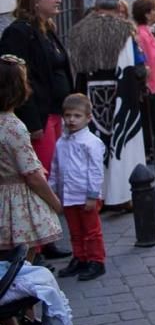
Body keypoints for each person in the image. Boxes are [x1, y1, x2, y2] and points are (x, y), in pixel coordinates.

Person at [0, 0, 73, 260]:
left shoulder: (47, 29)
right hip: (37, 119)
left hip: (54, 113)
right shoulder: (19, 33)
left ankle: (46, 239)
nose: (58, 0)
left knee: (49, 173)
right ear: (34, 0)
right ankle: (34, 250)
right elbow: (16, 81)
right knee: (37, 175)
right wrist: (32, 124)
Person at [66, 0, 147, 208]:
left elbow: (76, 68)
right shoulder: (124, 29)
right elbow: (136, 65)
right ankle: (121, 195)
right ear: (117, 6)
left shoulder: (78, 30)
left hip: (88, 93)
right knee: (121, 142)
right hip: (121, 93)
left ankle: (96, 195)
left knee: (93, 143)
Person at [0, 55, 63, 261]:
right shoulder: (13, 127)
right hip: (16, 203)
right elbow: (32, 175)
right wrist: (55, 202)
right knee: (21, 265)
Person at [49, 94, 107, 281]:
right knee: (74, 231)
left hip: (86, 196)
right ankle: (80, 258)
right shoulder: (61, 143)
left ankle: (96, 261)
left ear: (88, 118)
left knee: (91, 231)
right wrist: (52, 191)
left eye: (77, 116)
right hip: (68, 196)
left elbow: (96, 171)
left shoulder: (92, 143)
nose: (71, 120)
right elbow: (55, 169)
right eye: (68, 115)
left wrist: (92, 195)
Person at [133, 0, 155, 159]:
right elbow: (152, 57)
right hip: (149, 83)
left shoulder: (147, 31)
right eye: (154, 10)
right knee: (149, 119)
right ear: (147, 14)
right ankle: (149, 150)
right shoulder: (142, 33)